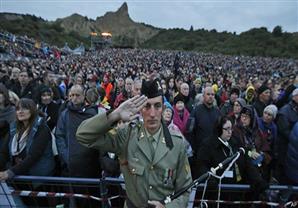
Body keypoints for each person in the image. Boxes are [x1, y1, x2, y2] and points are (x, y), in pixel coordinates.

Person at [76, 79, 192, 208]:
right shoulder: (127, 135)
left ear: (163, 109)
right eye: (147, 106)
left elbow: (185, 190)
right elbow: (83, 135)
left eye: (157, 106)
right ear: (140, 109)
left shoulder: (177, 144)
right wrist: (115, 115)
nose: (152, 113)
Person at [196, 116, 267, 206]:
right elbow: (201, 165)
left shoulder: (235, 143)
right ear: (219, 129)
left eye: (231, 128)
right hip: (217, 192)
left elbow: (247, 163)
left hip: (236, 192)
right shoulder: (207, 145)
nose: (230, 132)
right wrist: (210, 180)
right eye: (227, 129)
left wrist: (257, 180)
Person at [0, 98, 55, 179]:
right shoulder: (13, 127)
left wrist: (10, 172)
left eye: (24, 108)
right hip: (19, 175)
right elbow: (4, 153)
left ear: (32, 110)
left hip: (38, 178)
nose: (20, 111)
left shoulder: (42, 128)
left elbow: (33, 156)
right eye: (18, 109)